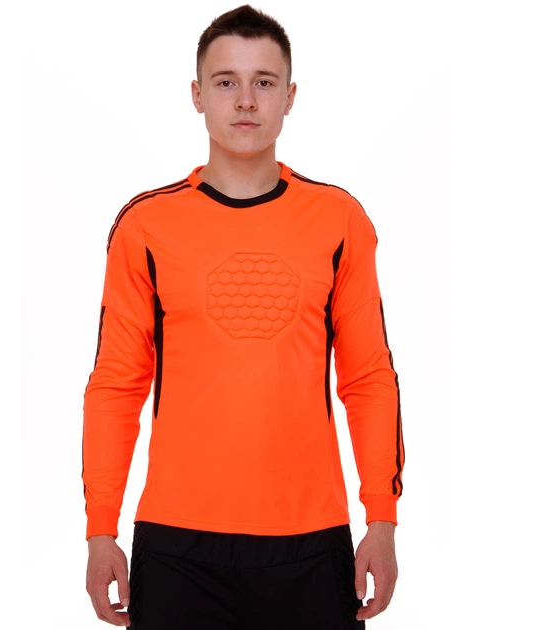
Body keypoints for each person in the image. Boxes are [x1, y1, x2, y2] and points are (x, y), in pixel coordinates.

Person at [82, 5, 405, 628]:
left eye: (264, 81)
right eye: (226, 81)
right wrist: (101, 529)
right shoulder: (146, 226)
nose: (246, 101)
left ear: (290, 97)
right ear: (197, 95)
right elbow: (116, 384)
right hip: (177, 543)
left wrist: (382, 519)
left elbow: (368, 377)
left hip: (311, 541)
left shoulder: (339, 220)